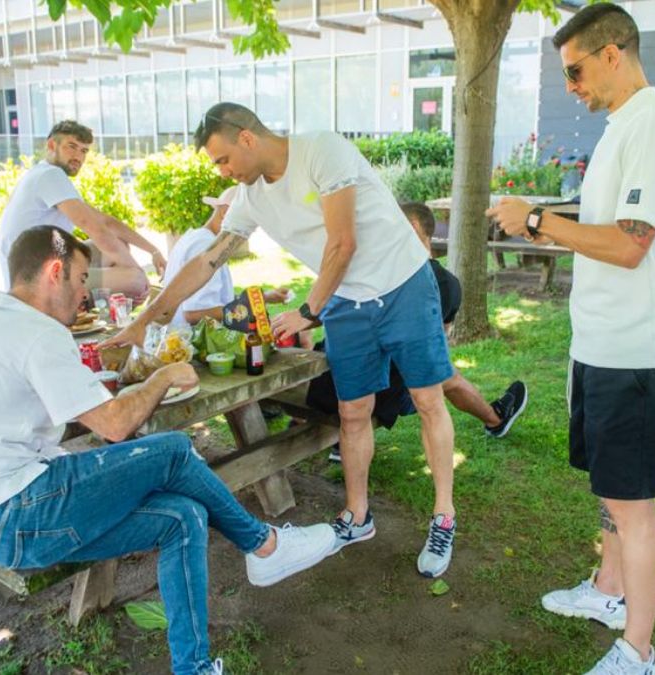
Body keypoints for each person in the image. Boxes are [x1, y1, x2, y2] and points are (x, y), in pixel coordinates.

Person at [0, 226, 335, 675]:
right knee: (171, 450)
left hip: (2, 515)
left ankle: (194, 667)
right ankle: (263, 545)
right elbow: (114, 426)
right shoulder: (35, 332)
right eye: (83, 277)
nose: (86, 293)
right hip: (15, 509)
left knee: (182, 518)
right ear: (55, 271)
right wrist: (161, 378)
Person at [105, 102, 461, 579]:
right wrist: (149, 316)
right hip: (347, 300)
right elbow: (208, 260)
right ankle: (358, 516)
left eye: (223, 160)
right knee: (353, 411)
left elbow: (342, 243)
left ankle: (443, 517)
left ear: (247, 138)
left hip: (402, 284)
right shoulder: (248, 197)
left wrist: (309, 311)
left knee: (427, 399)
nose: (222, 171)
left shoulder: (321, 149)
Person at [487, 5, 655, 674]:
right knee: (610, 487)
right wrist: (545, 218)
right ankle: (609, 591)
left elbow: (631, 244)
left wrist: (540, 217)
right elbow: (608, 220)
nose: (570, 85)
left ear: (613, 53)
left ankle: (638, 651)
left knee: (633, 506)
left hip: (636, 351)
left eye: (575, 70)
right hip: (601, 345)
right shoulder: (622, 127)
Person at [312, 202, 528, 462]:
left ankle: (495, 418)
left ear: (412, 227)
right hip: (380, 393)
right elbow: (435, 349)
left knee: (430, 371)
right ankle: (495, 418)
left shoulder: (368, 272)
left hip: (334, 385)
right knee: (439, 373)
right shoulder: (444, 284)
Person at [0, 119, 167, 298]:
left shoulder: (43, 174)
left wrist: (153, 250)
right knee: (135, 281)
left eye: (83, 150)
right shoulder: (50, 175)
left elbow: (105, 222)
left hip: (45, 267)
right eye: (72, 146)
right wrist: (137, 271)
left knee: (120, 245)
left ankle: (87, 305)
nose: (78, 156)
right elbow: (91, 226)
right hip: (36, 281)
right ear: (52, 145)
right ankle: (80, 307)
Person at [161, 185, 290, 329]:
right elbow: (194, 313)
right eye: (248, 224)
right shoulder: (205, 245)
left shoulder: (197, 237)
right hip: (193, 342)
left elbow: (215, 299)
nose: (250, 233)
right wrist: (247, 312)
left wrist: (263, 298)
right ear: (225, 213)